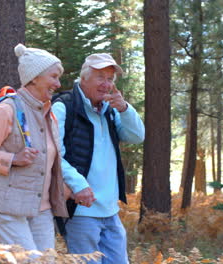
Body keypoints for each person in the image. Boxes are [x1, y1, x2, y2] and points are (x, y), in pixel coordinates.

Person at [0, 43, 68, 252]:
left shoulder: (49, 114)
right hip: (6, 206)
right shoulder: (6, 109)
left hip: (41, 207)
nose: (58, 84)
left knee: (47, 261)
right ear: (35, 77)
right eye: (53, 77)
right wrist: (12, 159)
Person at [52, 53, 145, 263]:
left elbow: (137, 136)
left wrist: (124, 108)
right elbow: (54, 154)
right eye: (100, 77)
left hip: (110, 210)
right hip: (81, 211)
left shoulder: (110, 111)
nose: (106, 84)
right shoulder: (64, 106)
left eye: (110, 79)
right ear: (83, 78)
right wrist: (78, 185)